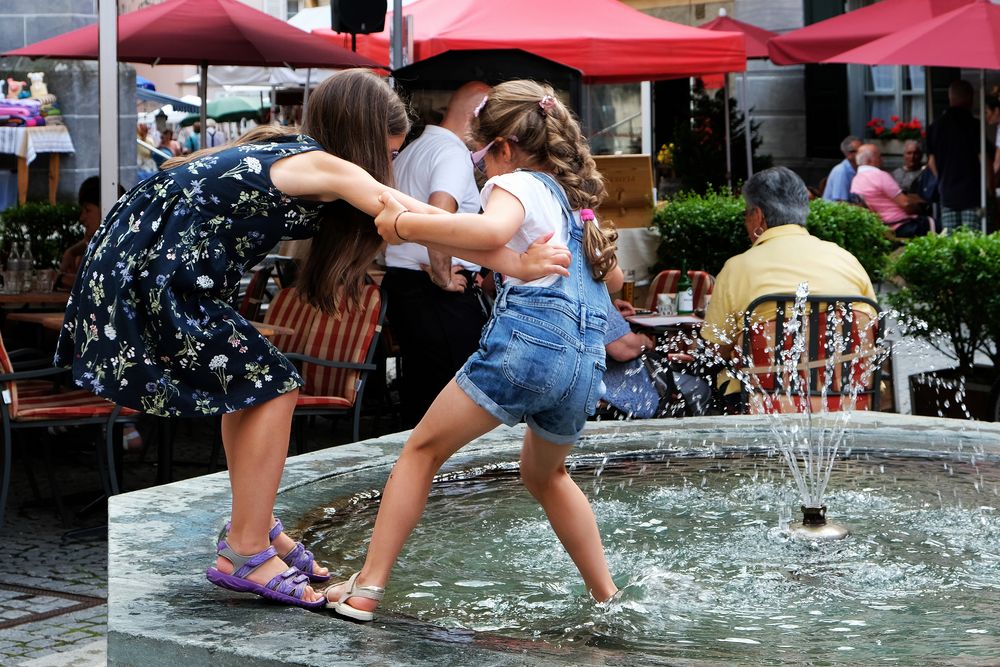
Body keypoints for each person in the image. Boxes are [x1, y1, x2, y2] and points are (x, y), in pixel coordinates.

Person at [54, 70, 569, 611]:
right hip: (159, 269)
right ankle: (246, 548)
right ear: (366, 139)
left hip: (154, 260)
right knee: (272, 384)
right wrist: (515, 261)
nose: (389, 167)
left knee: (250, 384)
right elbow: (415, 218)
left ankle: (250, 523)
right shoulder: (328, 165)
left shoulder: (298, 157)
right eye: (388, 154)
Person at [324, 80, 621, 621]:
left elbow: (490, 231)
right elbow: (615, 280)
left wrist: (405, 227)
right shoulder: (576, 208)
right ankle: (608, 597)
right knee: (546, 475)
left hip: (529, 347)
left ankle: (366, 588)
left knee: (420, 452)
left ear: (503, 148)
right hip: (583, 365)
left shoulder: (519, 184)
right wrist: (397, 206)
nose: (478, 168)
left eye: (479, 156)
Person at [701, 167, 877, 410]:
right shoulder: (845, 259)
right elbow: (873, 330)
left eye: (746, 213)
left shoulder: (737, 268)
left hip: (767, 406)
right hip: (849, 402)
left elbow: (716, 350)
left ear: (759, 216)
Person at [383, 81, 491, 426]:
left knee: (423, 389)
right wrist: (442, 274)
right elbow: (440, 211)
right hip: (435, 291)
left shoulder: (417, 147)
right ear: (477, 116)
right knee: (453, 395)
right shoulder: (451, 152)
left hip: (406, 282)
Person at [603, 296, 710, 419]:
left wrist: (614, 316)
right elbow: (625, 349)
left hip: (593, 380)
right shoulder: (591, 294)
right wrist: (644, 340)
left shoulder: (581, 290)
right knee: (699, 388)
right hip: (611, 384)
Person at [927, 80, 981, 231]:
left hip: (947, 193)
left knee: (951, 243)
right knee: (972, 242)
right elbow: (982, 157)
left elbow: (931, 161)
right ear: (970, 97)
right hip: (973, 193)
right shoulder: (975, 125)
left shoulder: (935, 126)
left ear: (950, 97)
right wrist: (988, 187)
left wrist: (942, 179)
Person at [850, 144, 931, 238]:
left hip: (883, 227)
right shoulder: (879, 175)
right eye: (879, 156)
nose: (882, 159)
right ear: (870, 160)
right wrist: (920, 211)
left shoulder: (856, 180)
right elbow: (906, 204)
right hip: (903, 226)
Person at [56, 176, 123, 290]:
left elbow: (97, 284)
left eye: (87, 210)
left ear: (105, 210)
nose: (82, 218)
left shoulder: (120, 247)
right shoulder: (115, 236)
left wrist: (59, 279)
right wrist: (71, 252)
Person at [821, 135, 861, 202]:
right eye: (853, 151)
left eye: (861, 150)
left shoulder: (860, 169)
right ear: (846, 153)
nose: (859, 154)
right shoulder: (841, 171)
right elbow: (840, 202)